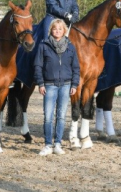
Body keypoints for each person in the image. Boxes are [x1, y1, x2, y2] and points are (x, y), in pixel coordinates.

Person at [34, 19, 80, 156]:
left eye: (60, 29)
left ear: (64, 31)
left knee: (61, 116)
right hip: (49, 85)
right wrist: (41, 83)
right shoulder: (43, 45)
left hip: (65, 85)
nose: (57, 31)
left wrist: (74, 84)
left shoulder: (71, 47)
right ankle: (48, 144)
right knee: (48, 116)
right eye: (55, 29)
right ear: (51, 30)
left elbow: (76, 67)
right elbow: (38, 66)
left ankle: (58, 143)